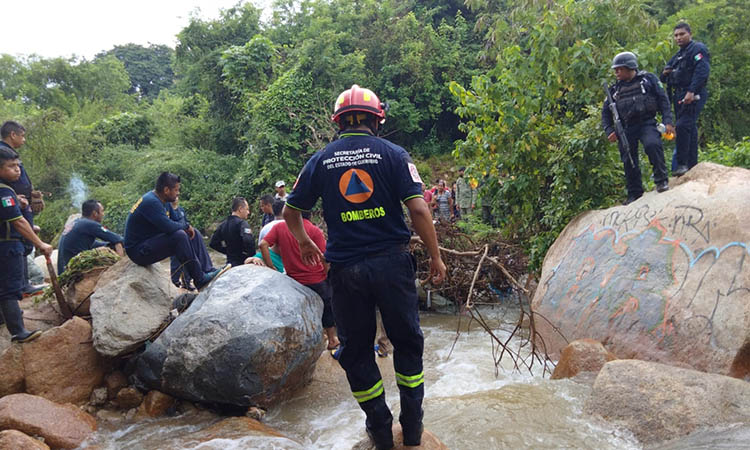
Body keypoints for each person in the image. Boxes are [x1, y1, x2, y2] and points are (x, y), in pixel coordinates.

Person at [283, 84, 446, 449]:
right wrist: (436, 256)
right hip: (392, 264)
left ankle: (380, 428)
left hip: (345, 271)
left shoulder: (322, 160)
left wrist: (306, 242)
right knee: (407, 343)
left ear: (339, 122)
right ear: (377, 119)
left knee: (356, 351)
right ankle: (413, 428)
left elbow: (290, 212)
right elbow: (418, 209)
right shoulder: (393, 154)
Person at [124, 172, 222, 290]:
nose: (178, 193)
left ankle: (207, 269)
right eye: (176, 190)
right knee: (179, 235)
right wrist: (185, 227)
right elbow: (169, 227)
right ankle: (199, 279)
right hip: (138, 252)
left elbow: (175, 219)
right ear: (166, 190)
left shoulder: (164, 201)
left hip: (149, 243)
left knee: (193, 232)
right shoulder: (151, 202)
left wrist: (188, 227)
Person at [259, 210, 339, 350]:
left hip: (293, 282)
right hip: (316, 281)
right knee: (327, 307)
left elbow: (263, 244)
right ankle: (332, 339)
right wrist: (328, 276)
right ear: (310, 215)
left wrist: (271, 267)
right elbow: (324, 258)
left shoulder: (280, 227)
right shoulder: (314, 231)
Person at [602, 51, 674, 205]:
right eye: (615, 70)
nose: (616, 73)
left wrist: (668, 121)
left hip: (646, 122)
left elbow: (663, 101)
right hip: (626, 128)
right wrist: (609, 131)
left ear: (630, 67)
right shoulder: (615, 90)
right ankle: (634, 193)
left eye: (619, 69)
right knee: (628, 158)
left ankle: (661, 181)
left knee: (652, 145)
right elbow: (605, 113)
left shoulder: (648, 80)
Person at [0, 146, 53, 342]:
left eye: (18, 166)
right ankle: (18, 332)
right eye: (11, 166)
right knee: (10, 290)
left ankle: (5, 322)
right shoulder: (4, 192)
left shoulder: (8, 192)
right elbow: (18, 222)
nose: (17, 170)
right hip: (7, 247)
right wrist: (41, 244)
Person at [0, 121, 45, 297]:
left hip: (19, 203)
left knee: (22, 244)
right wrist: (16, 199)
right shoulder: (4, 154)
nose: (24, 139)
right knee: (18, 243)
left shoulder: (9, 154)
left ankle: (23, 284)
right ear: (13, 134)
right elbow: (18, 222)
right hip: (13, 208)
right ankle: (20, 286)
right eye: (22, 135)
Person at [661, 22, 710, 176]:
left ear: (690, 34)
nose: (679, 38)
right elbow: (663, 76)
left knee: (682, 126)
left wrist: (691, 91)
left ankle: (681, 164)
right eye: (676, 35)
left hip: (693, 94)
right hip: (679, 95)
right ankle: (692, 165)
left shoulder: (697, 49)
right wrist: (666, 73)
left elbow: (702, 72)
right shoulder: (678, 55)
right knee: (690, 128)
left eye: (682, 34)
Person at [57, 199, 124, 274]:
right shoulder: (90, 224)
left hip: (63, 270)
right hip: (74, 270)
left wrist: (107, 245)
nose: (103, 214)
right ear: (95, 213)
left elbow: (91, 243)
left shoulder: (77, 222)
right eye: (102, 211)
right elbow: (118, 239)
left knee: (108, 245)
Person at [168, 198, 216, 289]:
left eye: (178, 196)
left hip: (185, 238)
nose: (176, 198)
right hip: (176, 240)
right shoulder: (168, 212)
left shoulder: (181, 210)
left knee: (188, 258)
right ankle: (175, 281)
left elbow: (186, 222)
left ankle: (187, 281)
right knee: (176, 261)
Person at [209, 197, 255, 268]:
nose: (248, 212)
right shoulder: (242, 224)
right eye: (247, 209)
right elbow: (248, 240)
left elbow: (213, 243)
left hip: (230, 264)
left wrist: (228, 251)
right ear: (240, 209)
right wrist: (252, 257)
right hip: (243, 263)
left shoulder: (223, 224)